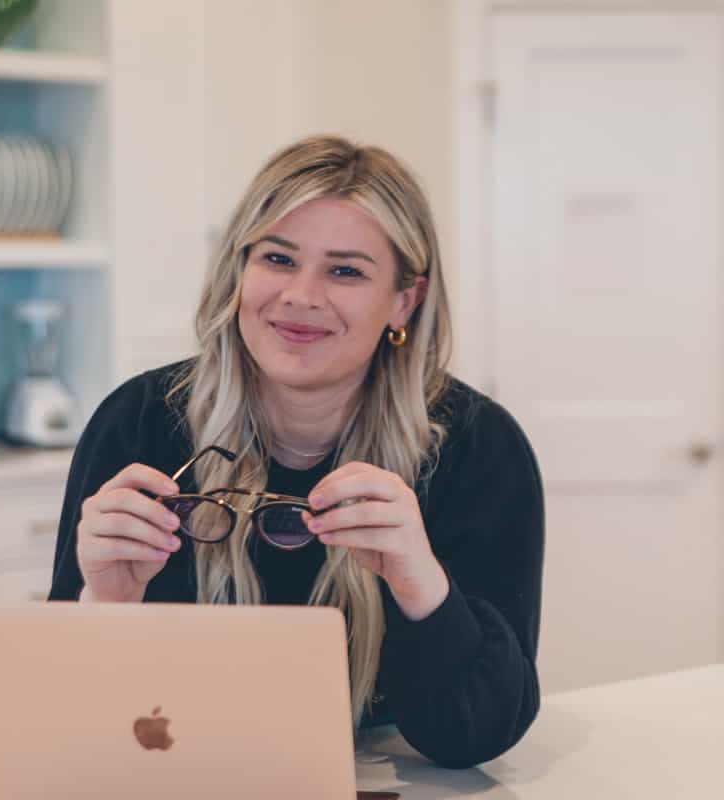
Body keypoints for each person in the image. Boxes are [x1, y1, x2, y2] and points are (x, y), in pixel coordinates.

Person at [48, 135, 545, 770]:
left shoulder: (480, 447)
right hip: (180, 771)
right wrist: (107, 605)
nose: (302, 295)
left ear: (405, 300)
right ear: (239, 269)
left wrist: (421, 585)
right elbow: (66, 723)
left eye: (345, 270)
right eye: (278, 259)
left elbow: (475, 738)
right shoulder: (139, 422)